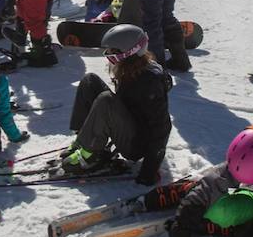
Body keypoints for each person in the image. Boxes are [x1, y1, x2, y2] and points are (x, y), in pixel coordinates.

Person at [59, 24, 171, 186]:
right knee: (90, 81)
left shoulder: (149, 83)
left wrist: (149, 171)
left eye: (114, 52)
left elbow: (162, 127)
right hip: (128, 123)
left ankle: (89, 154)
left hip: (136, 144)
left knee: (106, 100)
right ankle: (83, 141)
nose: (110, 56)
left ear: (131, 52)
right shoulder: (131, 67)